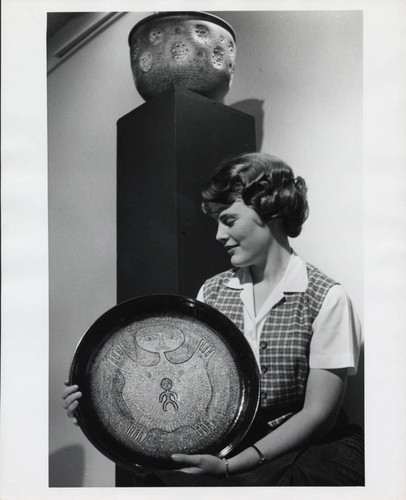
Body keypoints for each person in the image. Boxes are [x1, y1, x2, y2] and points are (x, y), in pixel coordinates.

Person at [63, 152, 364, 486]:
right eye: (217, 222)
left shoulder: (326, 297)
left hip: (305, 449)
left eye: (229, 220)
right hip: (232, 443)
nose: (219, 235)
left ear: (271, 210)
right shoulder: (214, 291)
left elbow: (319, 415)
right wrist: (101, 411)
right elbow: (183, 387)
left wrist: (234, 466)